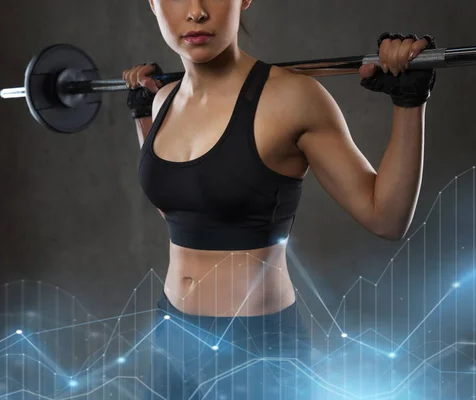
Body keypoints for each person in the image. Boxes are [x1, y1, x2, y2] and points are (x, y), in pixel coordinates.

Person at [122, 0, 436, 398]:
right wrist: (142, 115)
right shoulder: (163, 99)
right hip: (172, 333)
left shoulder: (291, 98)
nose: (196, 11)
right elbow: (181, 197)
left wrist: (409, 102)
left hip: (255, 348)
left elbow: (386, 218)